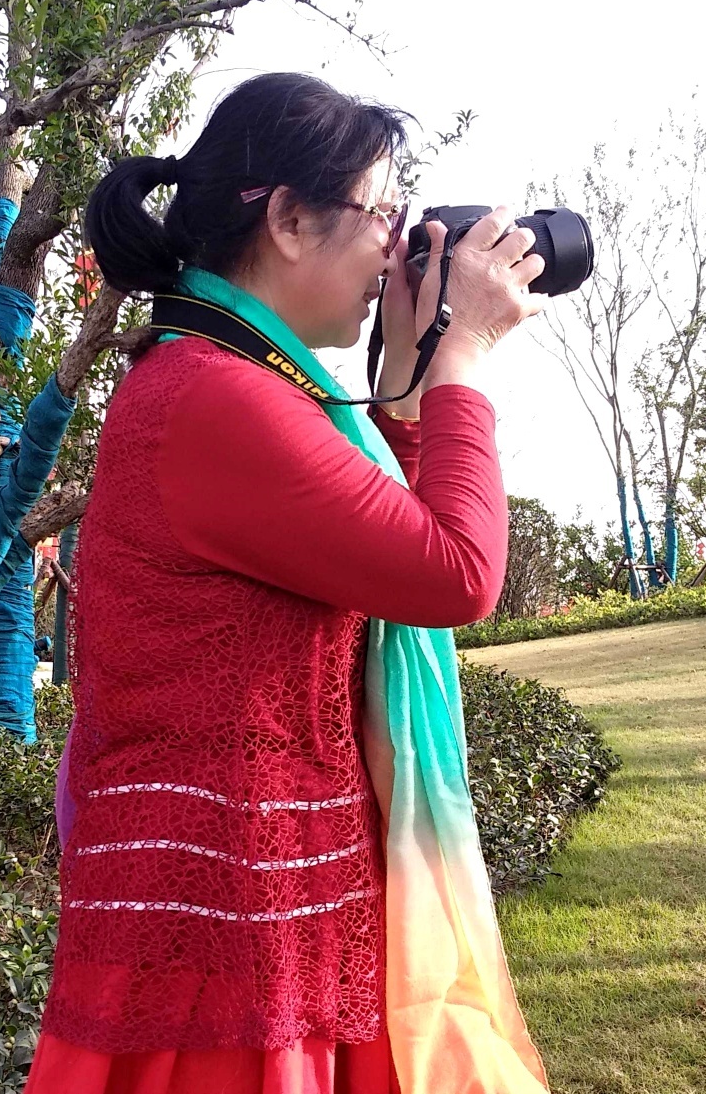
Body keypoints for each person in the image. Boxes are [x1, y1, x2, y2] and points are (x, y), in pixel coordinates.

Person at [28, 72, 551, 1094]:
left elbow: (384, 546)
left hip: (262, 906)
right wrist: (464, 357)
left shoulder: (229, 384)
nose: (397, 250)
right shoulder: (211, 397)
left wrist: (408, 378)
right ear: (290, 221)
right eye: (383, 214)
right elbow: (454, 572)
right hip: (224, 945)